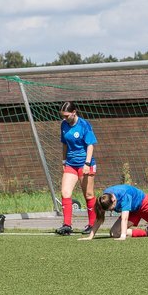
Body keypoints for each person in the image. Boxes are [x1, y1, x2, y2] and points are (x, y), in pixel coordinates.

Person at [55, 101, 98, 235]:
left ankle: (93, 225)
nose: (64, 118)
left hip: (85, 164)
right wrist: (63, 160)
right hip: (70, 164)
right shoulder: (64, 125)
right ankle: (67, 225)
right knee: (65, 193)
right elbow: (64, 144)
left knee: (88, 194)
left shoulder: (84, 125)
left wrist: (87, 163)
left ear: (74, 113)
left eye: (66, 115)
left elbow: (90, 145)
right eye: (62, 116)